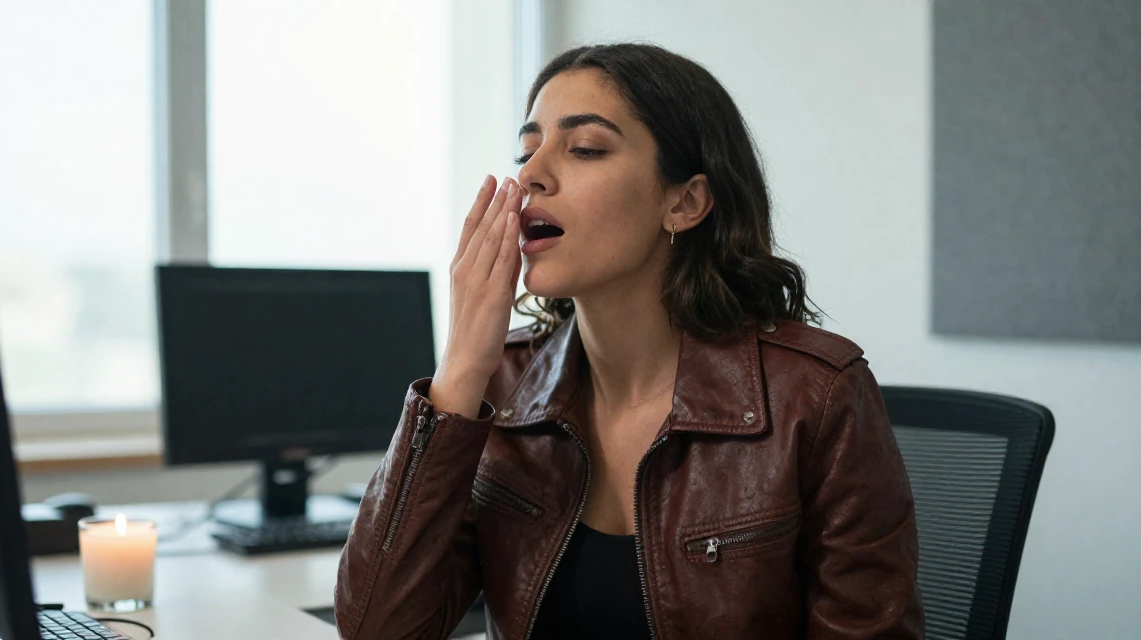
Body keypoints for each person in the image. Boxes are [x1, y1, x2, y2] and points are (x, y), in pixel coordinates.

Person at [335, 43, 923, 639]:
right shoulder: (500, 385)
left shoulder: (817, 395)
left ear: (684, 202)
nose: (531, 174)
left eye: (585, 148)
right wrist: (460, 368)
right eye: (527, 149)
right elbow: (377, 630)